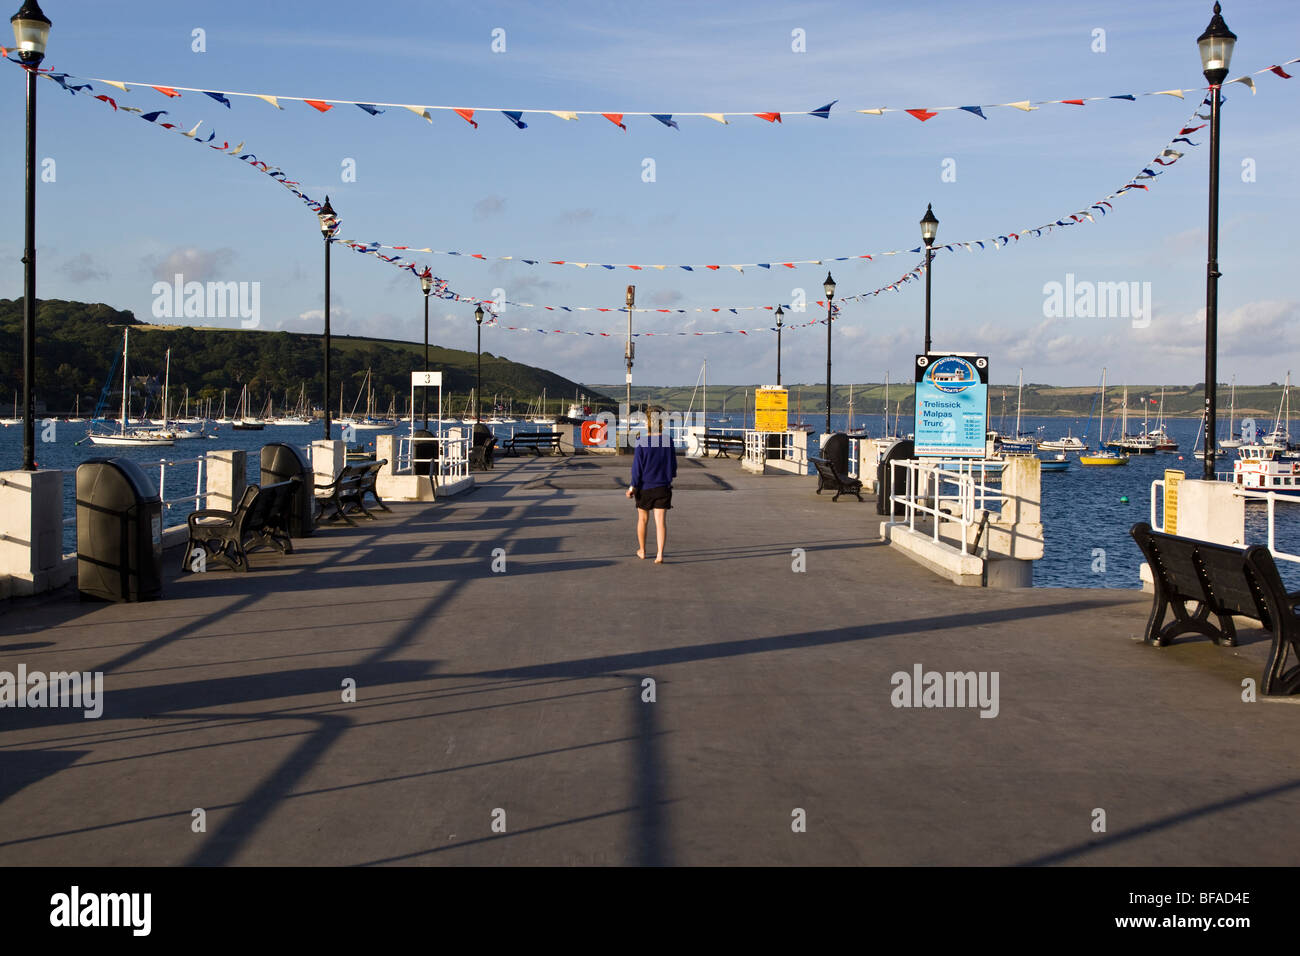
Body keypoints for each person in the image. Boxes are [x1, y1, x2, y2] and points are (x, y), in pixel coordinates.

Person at [625, 406, 676, 563]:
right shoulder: (668, 441)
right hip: (663, 486)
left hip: (645, 487)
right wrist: (668, 477)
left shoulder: (642, 441)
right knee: (660, 522)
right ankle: (660, 554)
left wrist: (632, 487)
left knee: (643, 520)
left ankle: (643, 550)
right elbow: (673, 466)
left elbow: (637, 468)